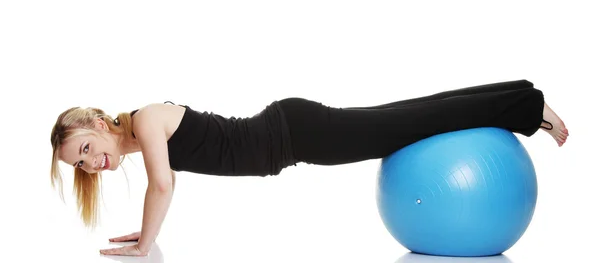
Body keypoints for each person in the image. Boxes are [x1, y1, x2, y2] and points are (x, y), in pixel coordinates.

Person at [49, 79, 568, 257]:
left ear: (98, 119)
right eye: (84, 165)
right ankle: (522, 97)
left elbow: (163, 184)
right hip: (293, 133)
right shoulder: (143, 136)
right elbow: (167, 180)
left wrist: (145, 244)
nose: (94, 164)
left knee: (416, 120)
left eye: (87, 149)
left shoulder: (143, 122)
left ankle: (527, 106)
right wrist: (146, 233)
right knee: (409, 118)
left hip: (296, 134)